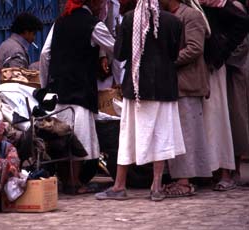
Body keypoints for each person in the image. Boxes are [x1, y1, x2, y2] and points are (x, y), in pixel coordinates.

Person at [95, 0, 185, 201]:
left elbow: (120, 54)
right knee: (161, 135)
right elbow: (173, 54)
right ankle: (156, 187)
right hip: (164, 87)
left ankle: (119, 186)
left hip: (136, 87)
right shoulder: (173, 21)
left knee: (127, 137)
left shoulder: (128, 19)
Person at [39, 0, 115, 194]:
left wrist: (45, 85)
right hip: (80, 90)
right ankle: (75, 183)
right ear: (95, 4)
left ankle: (67, 181)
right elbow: (116, 48)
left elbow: (45, 54)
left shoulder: (60, 22)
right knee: (80, 138)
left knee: (62, 136)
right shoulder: (93, 24)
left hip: (58, 90)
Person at [159, 0, 213, 197]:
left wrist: (166, 62)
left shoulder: (191, 16)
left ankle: (185, 181)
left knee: (187, 134)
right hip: (173, 85)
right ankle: (180, 178)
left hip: (188, 83)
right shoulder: (167, 16)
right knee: (178, 133)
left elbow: (195, 47)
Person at [201, 0, 249, 191]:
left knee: (226, 118)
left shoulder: (225, 5)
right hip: (212, 68)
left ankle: (228, 171)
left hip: (226, 70)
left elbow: (241, 25)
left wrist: (220, 55)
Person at [225, 0, 249, 185]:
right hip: (236, 68)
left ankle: (235, 170)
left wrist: (221, 58)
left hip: (238, 70)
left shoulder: (235, 8)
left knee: (238, 118)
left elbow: (242, 43)